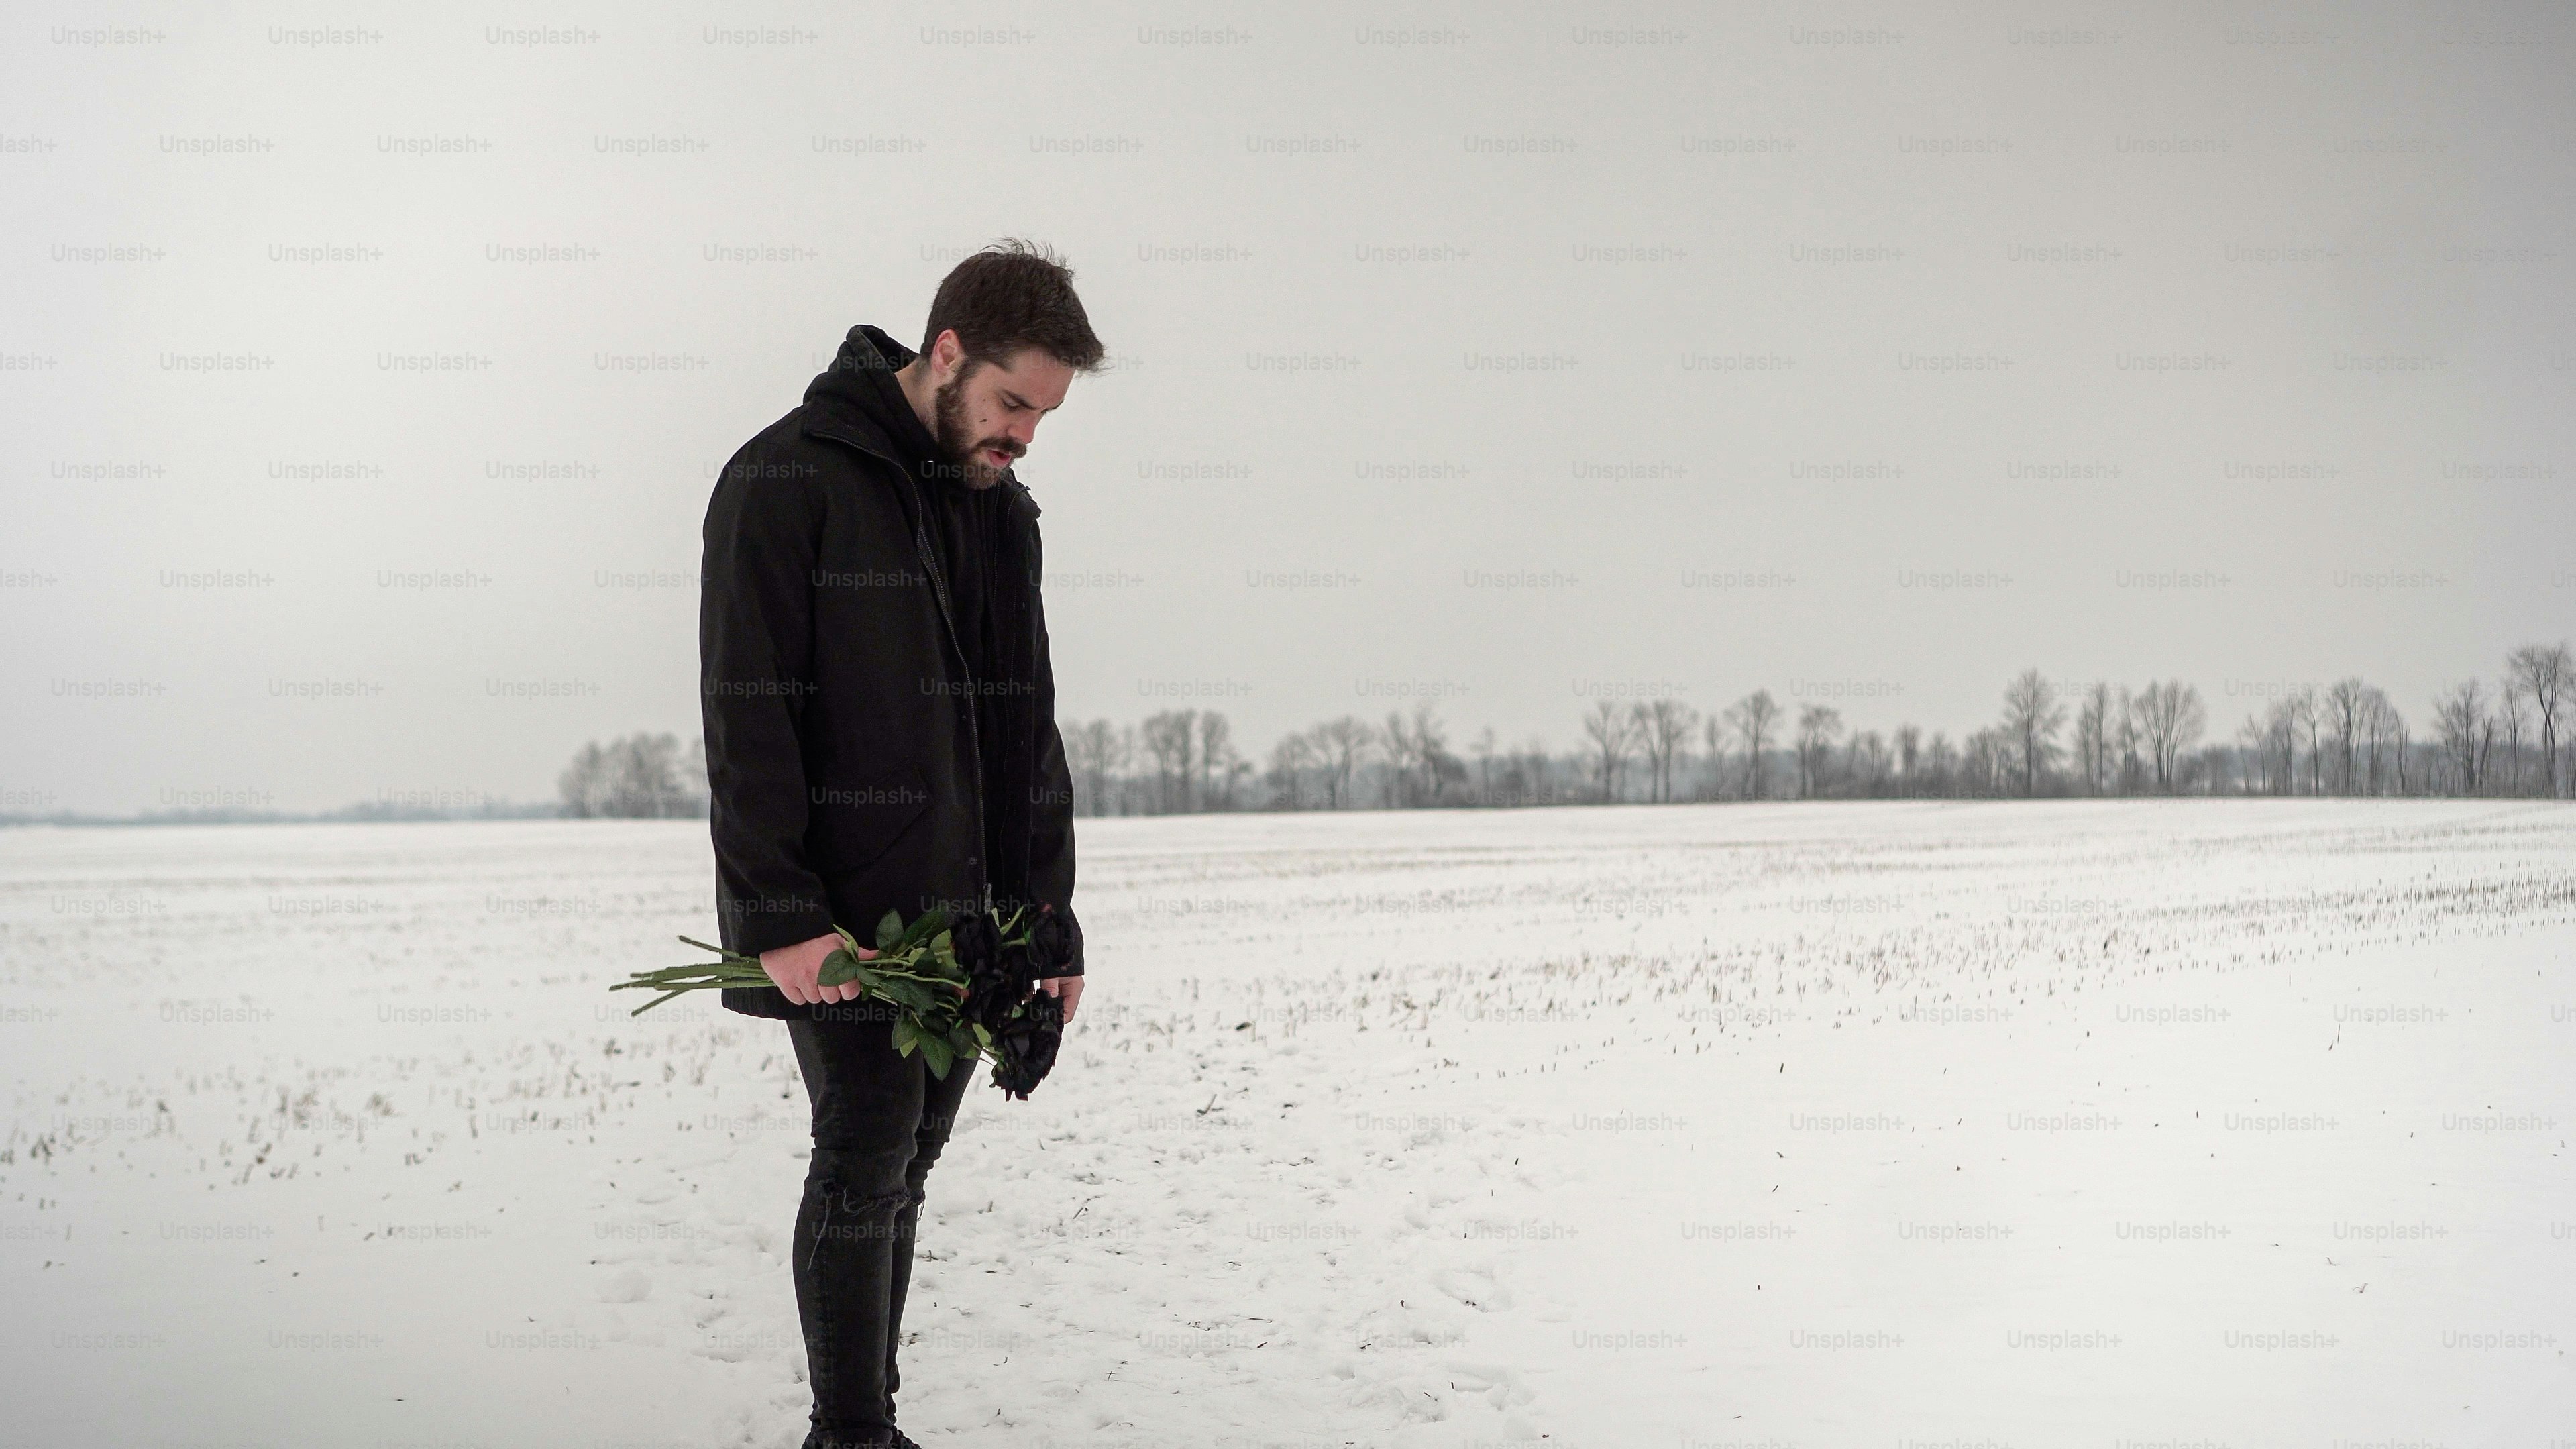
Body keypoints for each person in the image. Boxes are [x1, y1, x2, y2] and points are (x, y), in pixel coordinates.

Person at [697, 239, 1104, 1449]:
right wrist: (778, 913)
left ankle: (866, 1426)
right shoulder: (782, 479)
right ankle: (852, 1434)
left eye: (1044, 414)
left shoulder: (997, 512)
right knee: (864, 1162)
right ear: (945, 354)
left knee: (905, 1173)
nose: (1024, 434)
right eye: (1012, 401)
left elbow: (1026, 726)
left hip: (967, 920)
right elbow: (746, 711)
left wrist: (1048, 923)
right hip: (844, 915)